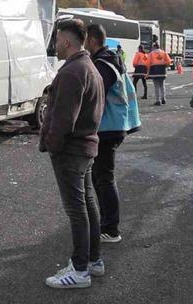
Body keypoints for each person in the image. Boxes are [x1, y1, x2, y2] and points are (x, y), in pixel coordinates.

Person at [40, 19, 104, 289]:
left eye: (56, 40)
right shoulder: (89, 67)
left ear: (66, 41)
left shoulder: (72, 72)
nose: (54, 45)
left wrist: (52, 146)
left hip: (71, 151)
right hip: (87, 147)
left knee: (76, 210)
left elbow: (63, 119)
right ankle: (93, 260)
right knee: (88, 205)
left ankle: (79, 270)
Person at [85, 24, 141, 245]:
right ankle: (107, 224)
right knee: (100, 177)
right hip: (116, 124)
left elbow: (95, 95)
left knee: (104, 178)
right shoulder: (111, 58)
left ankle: (111, 228)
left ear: (91, 40)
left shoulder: (103, 64)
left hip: (108, 127)